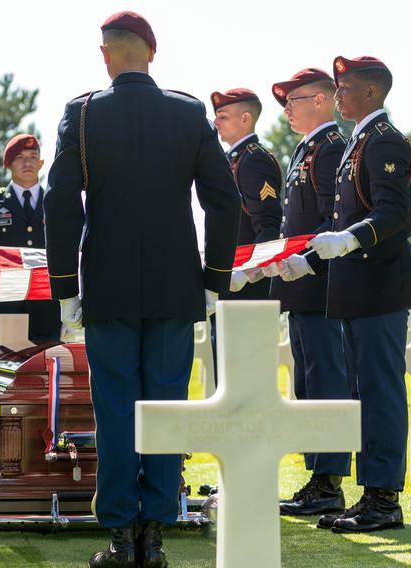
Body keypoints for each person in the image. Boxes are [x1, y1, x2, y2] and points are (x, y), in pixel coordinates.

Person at [44, 11, 240, 568]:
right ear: (151, 54)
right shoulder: (187, 111)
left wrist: (65, 289)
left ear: (105, 54)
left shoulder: (81, 115)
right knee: (165, 407)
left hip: (107, 287)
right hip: (177, 287)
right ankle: (154, 534)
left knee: (115, 410)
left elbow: (62, 204)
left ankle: (122, 536)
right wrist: (214, 282)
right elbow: (223, 201)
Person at [305, 56, 411, 533]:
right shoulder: (361, 141)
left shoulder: (385, 141)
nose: (338, 95)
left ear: (372, 92)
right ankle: (369, 492)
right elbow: (339, 219)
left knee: (380, 391)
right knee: (363, 392)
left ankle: (384, 498)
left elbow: (394, 214)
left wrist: (351, 239)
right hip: (357, 288)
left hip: (380, 286)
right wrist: (312, 259)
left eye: (346, 87)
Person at [267, 68, 352, 516]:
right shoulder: (307, 148)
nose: (287, 109)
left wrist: (309, 261)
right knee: (308, 382)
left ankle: (329, 482)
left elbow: (332, 220)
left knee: (326, 382)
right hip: (300, 289)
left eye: (293, 100)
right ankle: (317, 476)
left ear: (321, 101)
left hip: (320, 286)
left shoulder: (332, 148)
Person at [208, 87, 283, 380]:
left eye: (224, 116)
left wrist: (248, 273)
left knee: (244, 380)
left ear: (246, 119)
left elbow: (268, 225)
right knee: (228, 378)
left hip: (246, 292)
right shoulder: (233, 159)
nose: (217, 123)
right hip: (230, 287)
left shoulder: (253, 160)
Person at [0, 134, 63, 346]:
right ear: (8, 163)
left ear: (41, 163)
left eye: (32, 156)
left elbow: (69, 255)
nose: (27, 162)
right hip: (4, 308)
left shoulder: (56, 205)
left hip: (48, 309)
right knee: (6, 376)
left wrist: (69, 305)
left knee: (47, 375)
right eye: (19, 157)